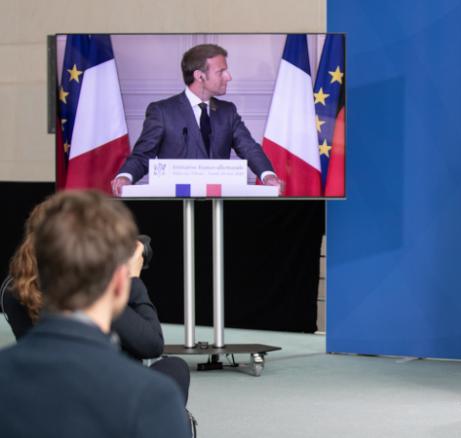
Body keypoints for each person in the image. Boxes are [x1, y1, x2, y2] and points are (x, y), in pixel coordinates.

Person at [0, 190, 190, 437]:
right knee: (175, 369)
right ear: (118, 283)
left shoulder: (14, 290)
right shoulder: (153, 398)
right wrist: (133, 280)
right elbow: (151, 344)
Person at [112, 43, 282, 195]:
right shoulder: (162, 111)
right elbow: (142, 155)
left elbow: (249, 148)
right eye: (221, 71)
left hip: (218, 207)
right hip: (176, 207)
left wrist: (268, 176)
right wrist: (125, 177)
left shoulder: (227, 111)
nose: (228, 77)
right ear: (199, 76)